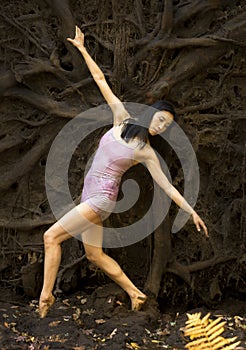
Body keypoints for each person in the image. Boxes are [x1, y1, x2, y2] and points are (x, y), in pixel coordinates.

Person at [39, 26, 208, 318]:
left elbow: (167, 187)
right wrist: (82, 49)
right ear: (151, 112)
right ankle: (136, 294)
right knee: (94, 255)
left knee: (50, 237)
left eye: (167, 126)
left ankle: (44, 300)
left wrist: (191, 210)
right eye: (161, 119)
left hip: (100, 200)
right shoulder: (121, 119)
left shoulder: (146, 152)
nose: (161, 126)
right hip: (89, 198)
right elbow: (100, 80)